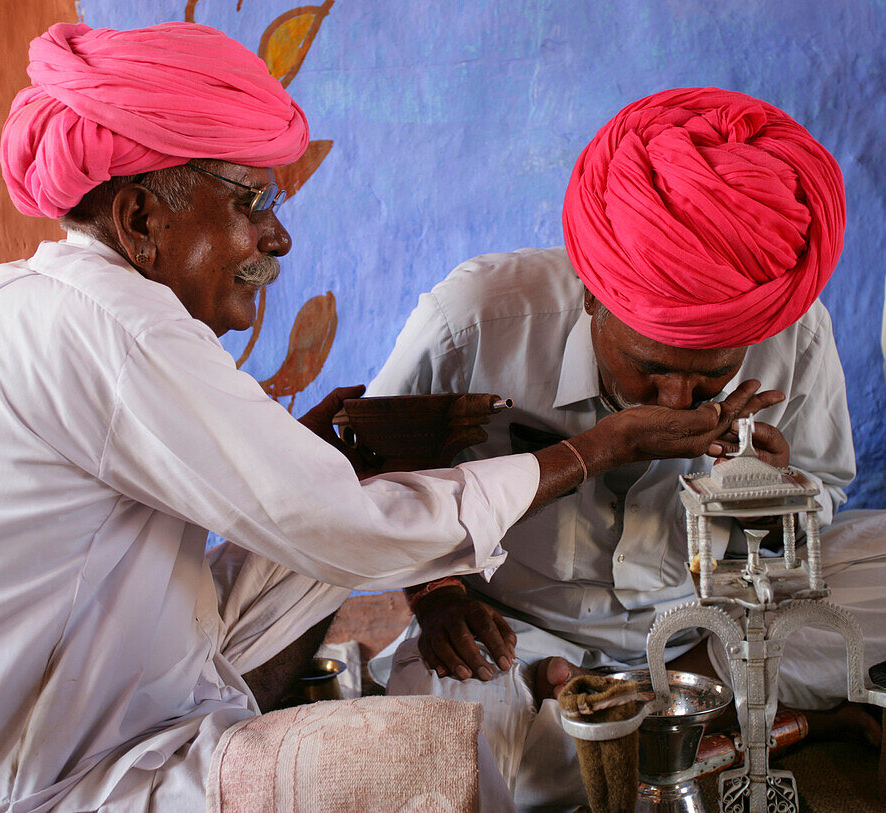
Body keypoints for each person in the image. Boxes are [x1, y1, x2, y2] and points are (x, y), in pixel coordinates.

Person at [0, 27, 766, 813]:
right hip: (5, 785)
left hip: (58, 708)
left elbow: (283, 505)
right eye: (251, 201)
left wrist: (331, 447)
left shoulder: (47, 301)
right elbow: (343, 531)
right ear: (143, 217)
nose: (277, 236)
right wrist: (590, 451)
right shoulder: (112, 327)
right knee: (425, 754)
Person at [368, 87, 886, 809]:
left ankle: (642, 711)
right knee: (440, 753)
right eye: (651, 366)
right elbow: (376, 473)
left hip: (708, 626)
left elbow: (819, 504)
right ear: (591, 297)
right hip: (520, 630)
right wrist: (437, 594)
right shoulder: (475, 320)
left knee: (880, 562)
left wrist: (758, 494)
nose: (675, 399)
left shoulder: (792, 332)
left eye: (710, 374)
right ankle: (696, 730)